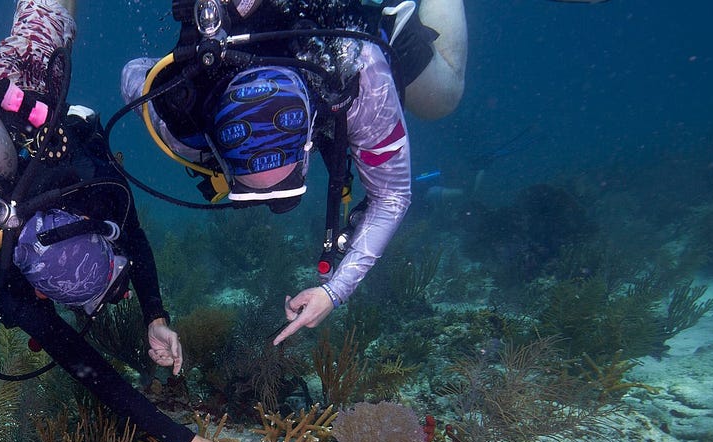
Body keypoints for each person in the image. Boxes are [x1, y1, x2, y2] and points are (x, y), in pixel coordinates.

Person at [0, 0, 247, 442]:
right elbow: (87, 365)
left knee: (43, 20)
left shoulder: (99, 199)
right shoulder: (18, 270)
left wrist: (155, 315)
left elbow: (131, 247)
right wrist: (183, 439)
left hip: (9, 97)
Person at [121, 0, 467, 345]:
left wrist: (335, 291)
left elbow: (392, 195)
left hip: (345, 35)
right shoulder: (181, 118)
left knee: (442, 97)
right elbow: (134, 74)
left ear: (310, 137)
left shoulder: (357, 76)